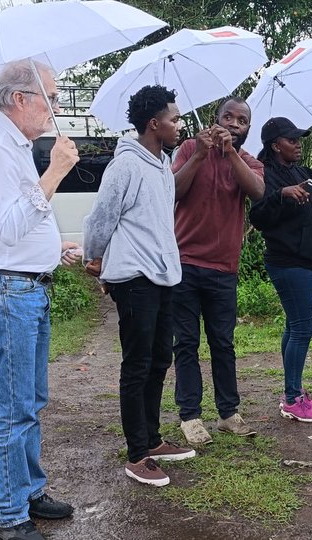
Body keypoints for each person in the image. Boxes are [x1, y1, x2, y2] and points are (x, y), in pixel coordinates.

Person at [0, 59, 80, 540]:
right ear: (19, 99)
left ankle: (28, 491)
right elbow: (8, 229)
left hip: (27, 285)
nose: (55, 107)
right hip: (8, 290)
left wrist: (53, 249)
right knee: (13, 407)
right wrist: (55, 171)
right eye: (49, 96)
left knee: (30, 400)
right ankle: (7, 517)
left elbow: (19, 222)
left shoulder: (14, 145)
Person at [83, 85, 196, 489]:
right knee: (137, 365)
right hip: (134, 279)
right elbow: (100, 220)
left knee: (159, 358)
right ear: (155, 124)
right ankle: (137, 454)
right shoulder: (125, 166)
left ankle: (151, 439)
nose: (179, 125)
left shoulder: (162, 163)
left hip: (163, 276)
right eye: (175, 119)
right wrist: (93, 259)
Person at [169, 97, 265, 445]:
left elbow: (257, 192)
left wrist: (230, 154)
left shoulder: (249, 161)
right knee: (187, 343)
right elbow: (173, 190)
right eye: (229, 117)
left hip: (224, 268)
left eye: (241, 120)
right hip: (185, 263)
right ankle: (190, 417)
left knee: (223, 343)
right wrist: (199, 153)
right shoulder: (190, 148)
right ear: (215, 119)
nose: (234, 124)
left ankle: (228, 413)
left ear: (248, 129)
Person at [248, 117, 312, 422]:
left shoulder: (301, 171)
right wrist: (281, 195)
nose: (298, 144)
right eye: (292, 140)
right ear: (276, 145)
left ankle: (295, 391)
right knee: (302, 328)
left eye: (300, 139)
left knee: (294, 326)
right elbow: (258, 217)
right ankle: (292, 398)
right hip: (289, 262)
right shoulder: (266, 175)